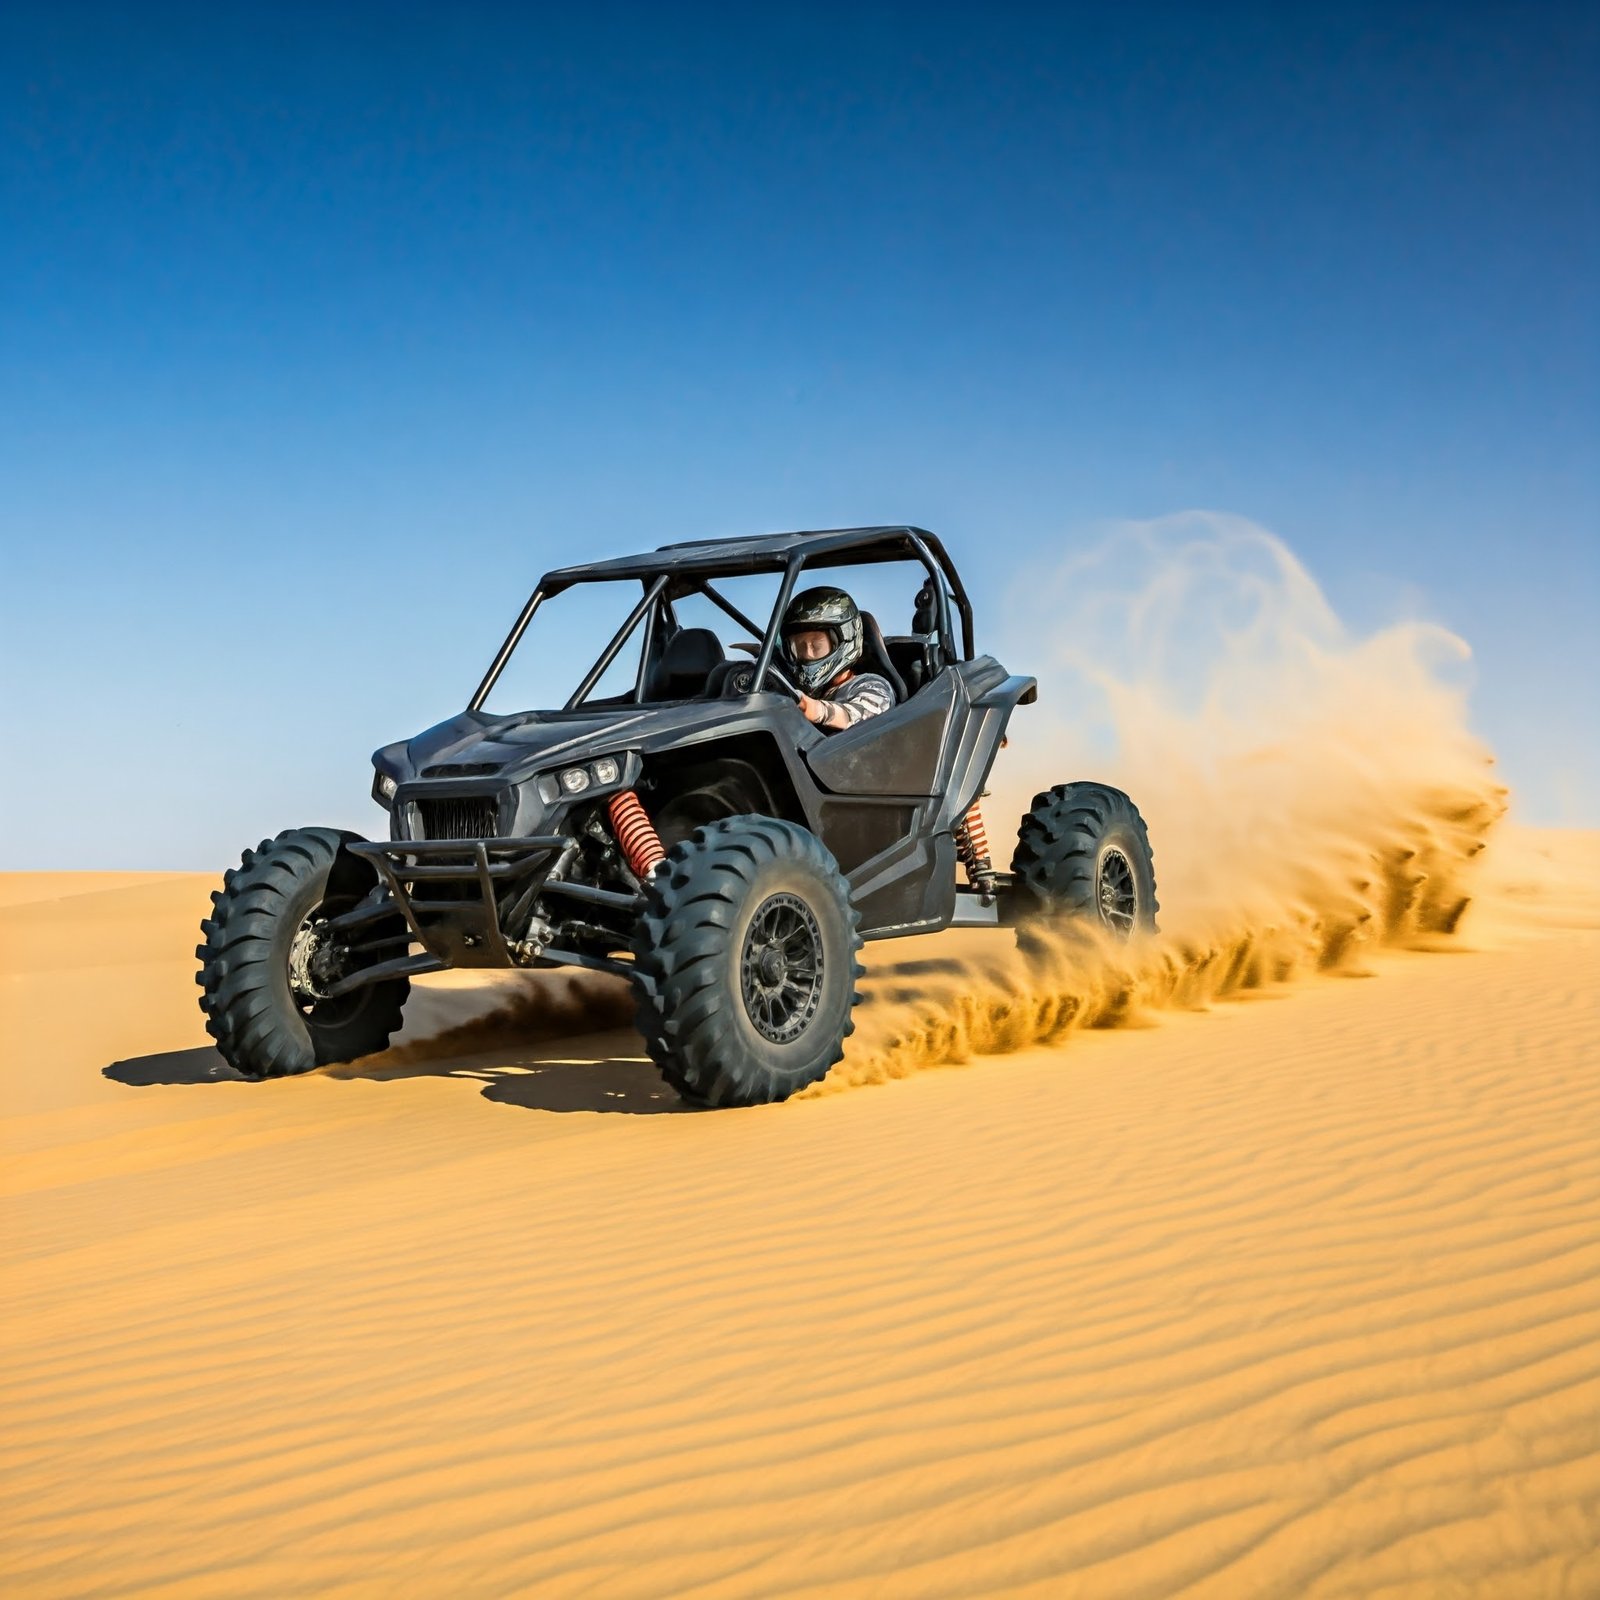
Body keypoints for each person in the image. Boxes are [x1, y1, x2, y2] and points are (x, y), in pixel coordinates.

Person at [780, 586, 895, 731]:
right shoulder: (811, 692)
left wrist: (817, 710)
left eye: (817, 646)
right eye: (800, 648)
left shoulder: (872, 684)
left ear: (843, 640)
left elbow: (864, 715)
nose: (807, 654)